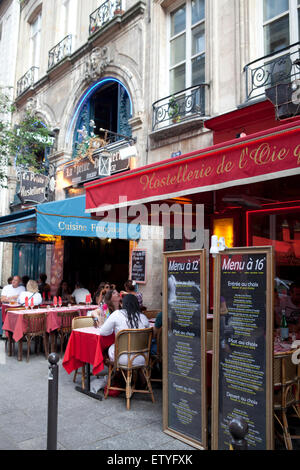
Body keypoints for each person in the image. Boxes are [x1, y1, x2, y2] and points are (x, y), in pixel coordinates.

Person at [99, 294, 149, 365]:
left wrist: (113, 330)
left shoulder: (117, 314)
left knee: (107, 350)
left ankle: (116, 373)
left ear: (123, 304)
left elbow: (103, 332)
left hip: (122, 357)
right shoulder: (143, 317)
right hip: (143, 357)